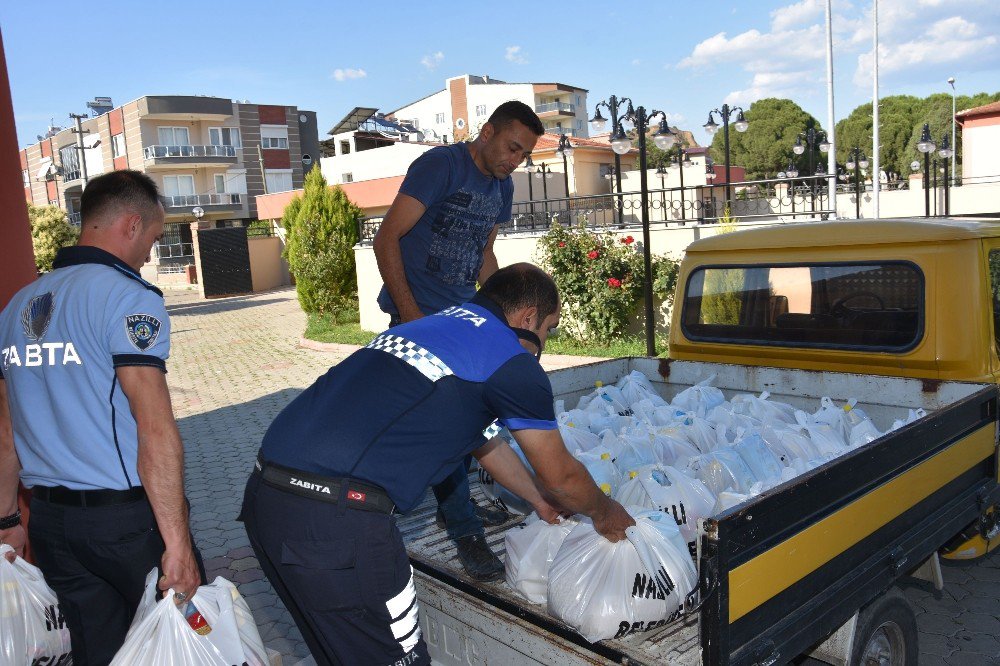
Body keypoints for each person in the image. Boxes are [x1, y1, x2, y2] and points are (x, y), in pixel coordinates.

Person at [242, 263, 634, 666]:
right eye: (549, 329)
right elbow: (562, 474)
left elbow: (487, 445)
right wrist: (604, 512)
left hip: (267, 500)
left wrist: (539, 500)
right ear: (528, 318)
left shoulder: (431, 330)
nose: (544, 341)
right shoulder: (510, 361)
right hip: (335, 526)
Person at [0, 170, 203, 665]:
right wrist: (177, 545)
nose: (151, 253)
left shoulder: (15, 308)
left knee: (98, 653)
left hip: (51, 525)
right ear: (132, 225)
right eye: (154, 239)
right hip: (127, 525)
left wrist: (7, 518)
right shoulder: (128, 298)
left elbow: (5, 432)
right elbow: (154, 429)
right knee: (180, 644)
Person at [373, 100, 545, 580]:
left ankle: (456, 506)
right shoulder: (439, 166)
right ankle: (466, 531)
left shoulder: (502, 186)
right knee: (451, 424)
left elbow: (485, 254)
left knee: (476, 415)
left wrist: (504, 320)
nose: (516, 160)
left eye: (525, 154)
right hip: (419, 320)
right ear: (486, 131)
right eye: (512, 147)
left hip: (462, 317)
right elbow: (386, 239)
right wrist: (411, 317)